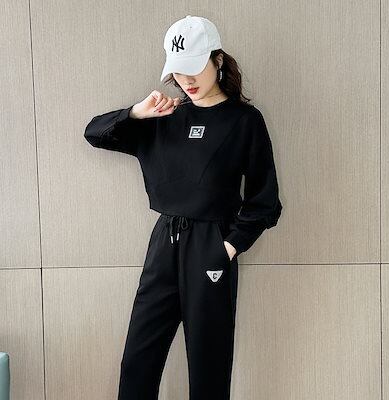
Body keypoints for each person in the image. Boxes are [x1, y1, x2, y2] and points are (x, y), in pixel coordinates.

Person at [84, 14, 282, 400]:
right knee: (138, 359)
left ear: (218, 60)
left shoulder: (244, 121)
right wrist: (136, 113)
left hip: (211, 244)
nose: (186, 80)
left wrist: (228, 247)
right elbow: (94, 133)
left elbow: (265, 201)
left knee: (209, 363)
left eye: (194, 68)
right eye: (178, 71)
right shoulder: (165, 117)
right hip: (164, 242)